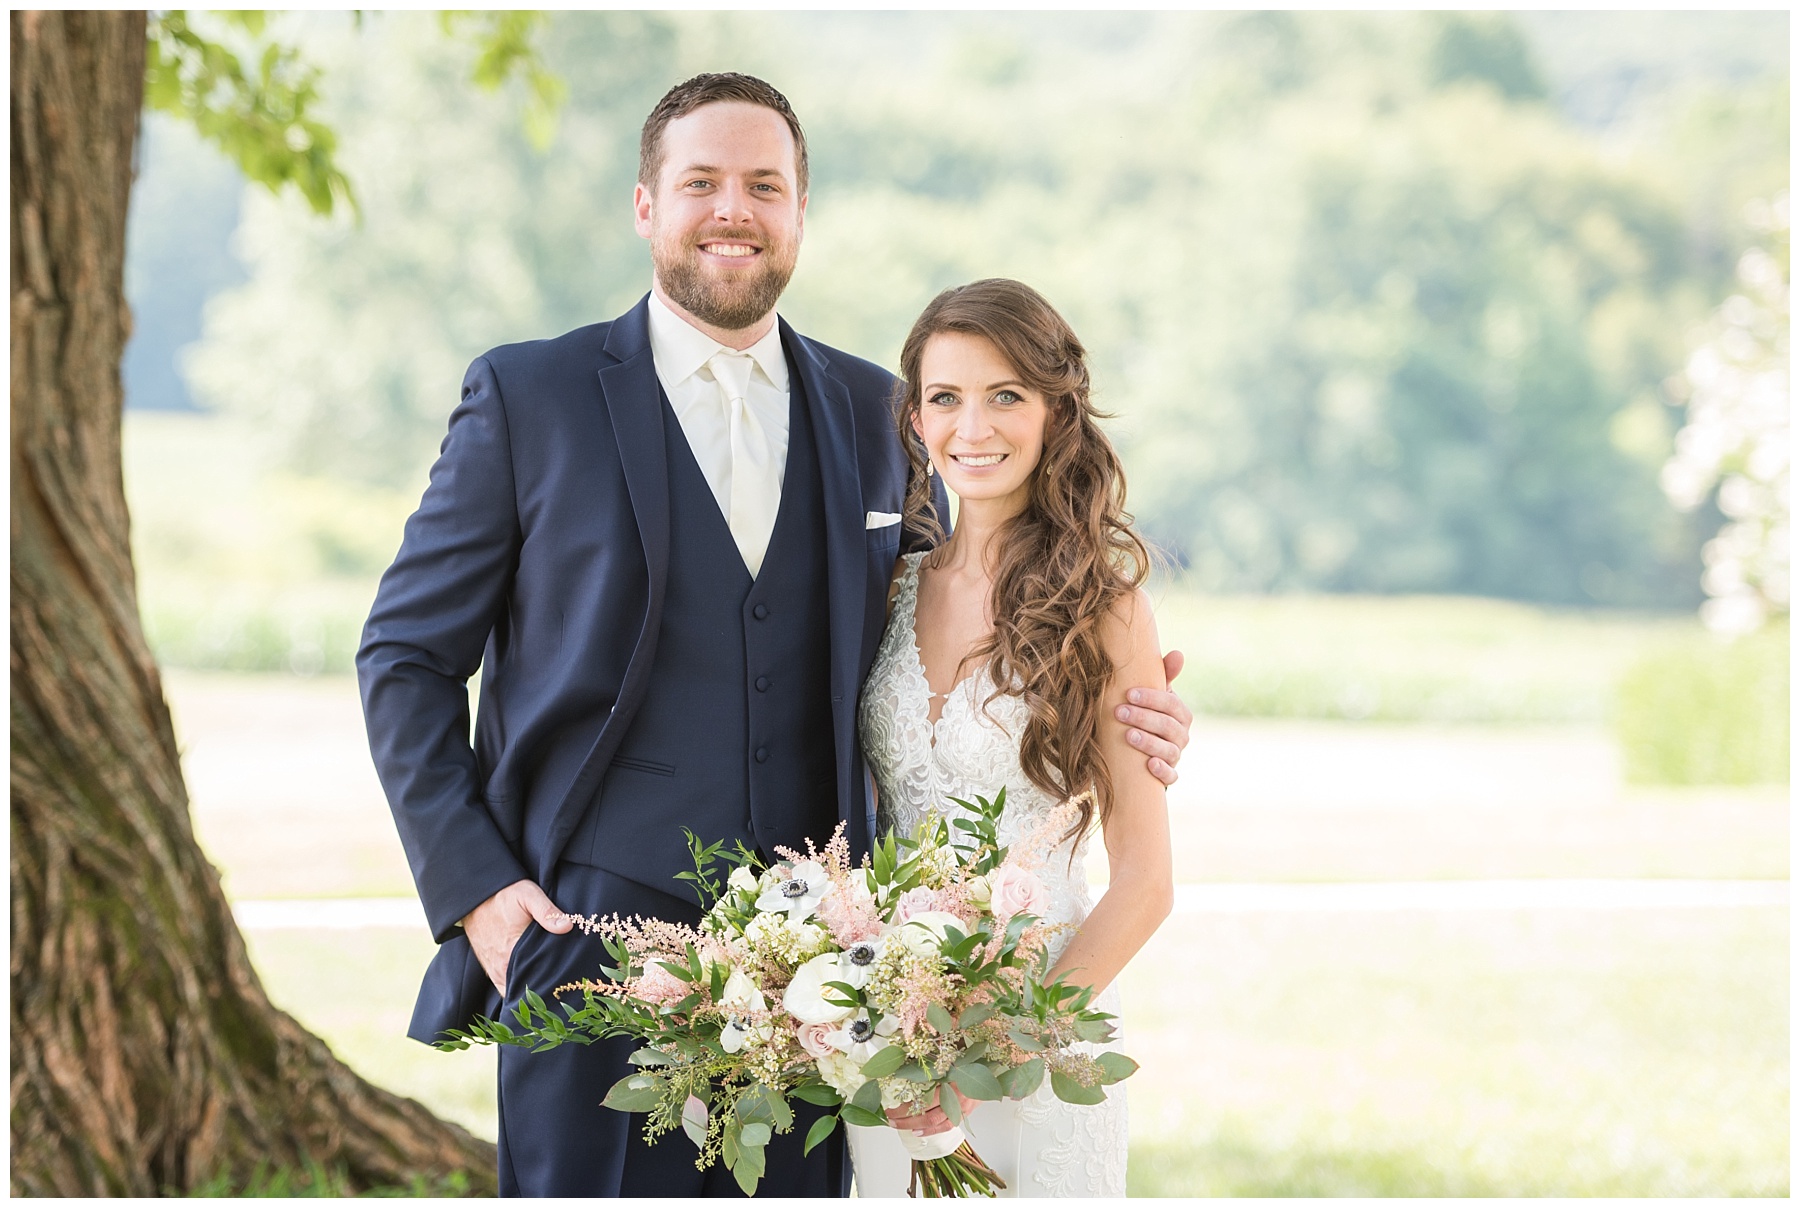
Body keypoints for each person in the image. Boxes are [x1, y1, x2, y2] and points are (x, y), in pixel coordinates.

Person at [357, 75, 1192, 1197]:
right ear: (646, 204)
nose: (732, 209)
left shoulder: (875, 411)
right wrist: (478, 893)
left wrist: (1131, 709)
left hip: (833, 985)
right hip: (584, 943)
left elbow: (988, 631)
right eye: (700, 181)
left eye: (765, 184)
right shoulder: (530, 395)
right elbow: (404, 660)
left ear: (801, 211)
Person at [848, 279, 1174, 1197]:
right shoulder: (888, 587)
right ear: (915, 419)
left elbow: (1147, 883)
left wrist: (999, 1044)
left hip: (1041, 1030)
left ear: (1054, 410)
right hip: (889, 1040)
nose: (974, 426)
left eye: (1006, 396)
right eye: (946, 397)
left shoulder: (1106, 608)